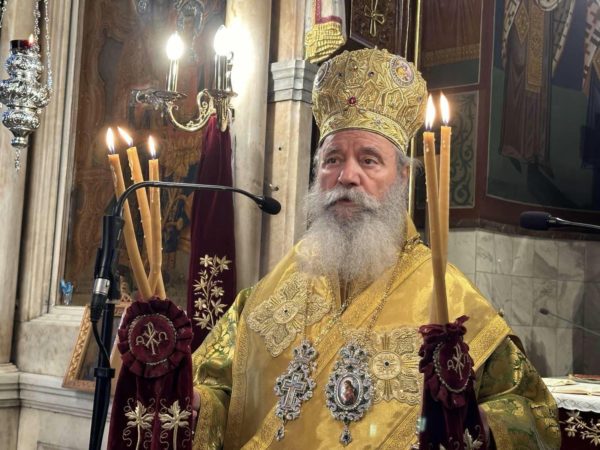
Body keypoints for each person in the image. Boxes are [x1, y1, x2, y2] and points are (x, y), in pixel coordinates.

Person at [190, 48, 560, 449]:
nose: (347, 176)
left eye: (369, 160)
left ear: (402, 176)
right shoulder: (268, 295)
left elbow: (532, 413)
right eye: (332, 159)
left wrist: (473, 423)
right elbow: (216, 390)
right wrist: (190, 403)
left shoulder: (451, 300)